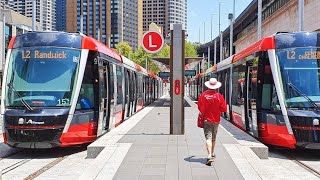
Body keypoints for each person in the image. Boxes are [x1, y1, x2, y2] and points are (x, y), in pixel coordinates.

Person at [198, 78, 227, 166]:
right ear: (216, 87)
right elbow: (224, 109)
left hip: (206, 120)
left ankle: (209, 154)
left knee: (208, 138)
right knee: (214, 138)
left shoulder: (203, 95)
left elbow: (200, 107)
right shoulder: (219, 96)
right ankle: (213, 153)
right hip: (216, 120)